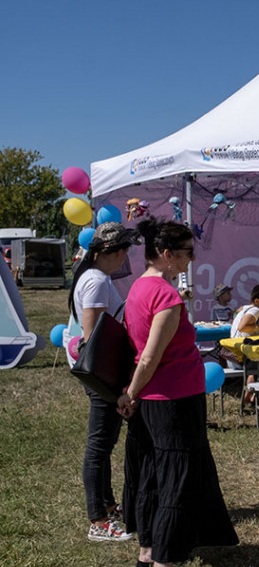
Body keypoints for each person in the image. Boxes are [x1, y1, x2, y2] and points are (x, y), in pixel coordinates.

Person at [118, 218, 238, 567]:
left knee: (153, 474)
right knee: (176, 478)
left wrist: (134, 392)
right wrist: (131, 392)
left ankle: (148, 549)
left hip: (158, 398)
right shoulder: (166, 297)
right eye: (187, 252)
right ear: (167, 255)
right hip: (172, 398)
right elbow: (150, 355)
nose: (191, 259)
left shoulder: (139, 288)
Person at [66, 222, 140, 543]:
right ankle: (97, 521)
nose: (125, 256)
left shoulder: (93, 277)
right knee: (98, 446)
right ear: (107, 252)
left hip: (103, 373)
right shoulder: (96, 281)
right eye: (121, 250)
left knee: (104, 444)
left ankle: (108, 507)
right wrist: (112, 384)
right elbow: (92, 337)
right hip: (102, 374)